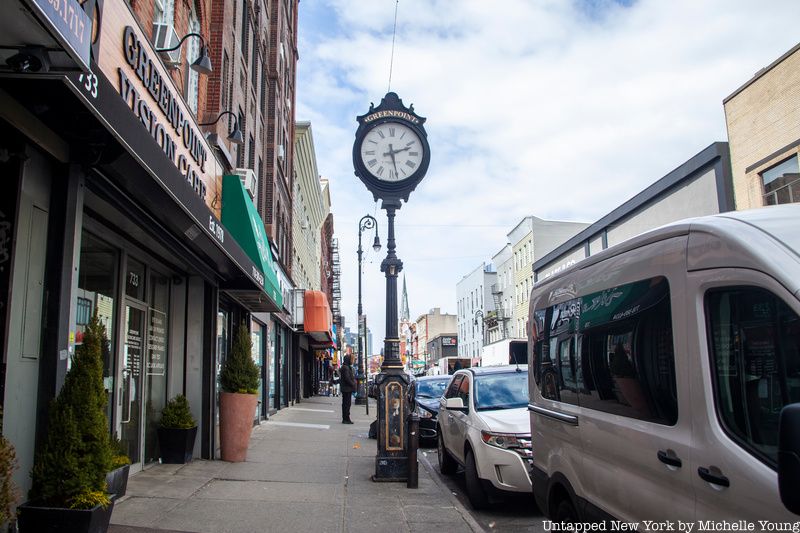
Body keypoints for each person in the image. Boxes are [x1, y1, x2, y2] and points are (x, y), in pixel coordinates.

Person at [339, 354, 356, 424]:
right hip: (347, 389)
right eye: (351, 359)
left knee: (346, 404)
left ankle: (346, 418)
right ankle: (346, 419)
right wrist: (353, 384)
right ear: (348, 360)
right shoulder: (346, 368)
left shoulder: (346, 367)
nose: (352, 361)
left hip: (346, 389)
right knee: (347, 404)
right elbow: (347, 378)